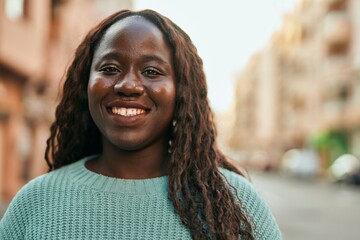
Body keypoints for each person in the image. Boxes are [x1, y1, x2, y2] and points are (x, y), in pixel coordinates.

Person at [0, 9, 281, 239]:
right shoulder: (35, 202)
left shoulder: (234, 204)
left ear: (181, 91)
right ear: (85, 84)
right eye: (110, 68)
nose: (128, 85)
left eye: (151, 71)